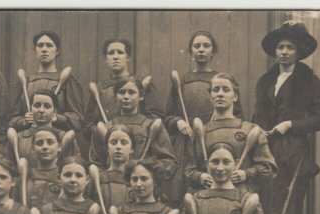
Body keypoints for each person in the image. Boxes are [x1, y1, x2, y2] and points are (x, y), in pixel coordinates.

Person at [253, 21, 320, 214]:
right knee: (263, 208)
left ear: (299, 52)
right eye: (280, 47)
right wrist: (259, 130)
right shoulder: (265, 81)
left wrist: (290, 125)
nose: (284, 52)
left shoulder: (309, 81)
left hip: (293, 153)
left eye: (290, 48)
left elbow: (319, 119)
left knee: (284, 212)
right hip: (265, 150)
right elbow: (259, 114)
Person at [89, 77, 179, 205]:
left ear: (141, 96)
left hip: (143, 191)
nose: (126, 96)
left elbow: (169, 163)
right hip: (111, 191)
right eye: (121, 92)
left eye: (131, 92)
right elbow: (95, 161)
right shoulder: (107, 127)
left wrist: (146, 169)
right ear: (115, 96)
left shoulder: (149, 126)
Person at [185, 73, 276, 198]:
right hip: (208, 200)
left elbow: (269, 169)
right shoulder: (201, 132)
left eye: (226, 90)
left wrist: (247, 174)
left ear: (235, 97)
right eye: (215, 90)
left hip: (242, 199)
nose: (220, 94)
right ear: (211, 97)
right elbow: (189, 171)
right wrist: (200, 177)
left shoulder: (250, 130)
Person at [165, 30, 242, 171]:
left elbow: (237, 115)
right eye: (197, 46)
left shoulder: (221, 81)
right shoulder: (181, 81)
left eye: (206, 46)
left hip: (214, 141)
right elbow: (168, 116)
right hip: (184, 144)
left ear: (213, 51)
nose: (201, 50)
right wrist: (178, 122)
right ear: (191, 51)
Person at [9, 30, 85, 134]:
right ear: (35, 50)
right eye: (40, 45)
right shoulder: (25, 81)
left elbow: (78, 119)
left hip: (57, 140)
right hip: (28, 139)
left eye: (49, 46)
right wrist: (23, 121)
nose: (44, 49)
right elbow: (12, 120)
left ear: (57, 51)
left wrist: (57, 118)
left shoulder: (67, 80)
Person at [84, 38, 164, 134]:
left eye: (120, 52)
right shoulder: (99, 89)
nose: (115, 57)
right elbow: (88, 125)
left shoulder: (141, 84)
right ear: (106, 59)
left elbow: (156, 117)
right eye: (111, 53)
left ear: (128, 57)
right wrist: (104, 133)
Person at [9, 90, 80, 164]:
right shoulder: (19, 138)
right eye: (37, 105)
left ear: (54, 112)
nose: (41, 110)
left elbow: (75, 165)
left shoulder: (63, 137)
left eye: (47, 106)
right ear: (30, 109)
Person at [27, 127, 63, 208]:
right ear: (33, 148)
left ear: (59, 147)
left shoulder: (64, 176)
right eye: (39, 143)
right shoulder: (26, 177)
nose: (45, 147)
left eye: (50, 142)